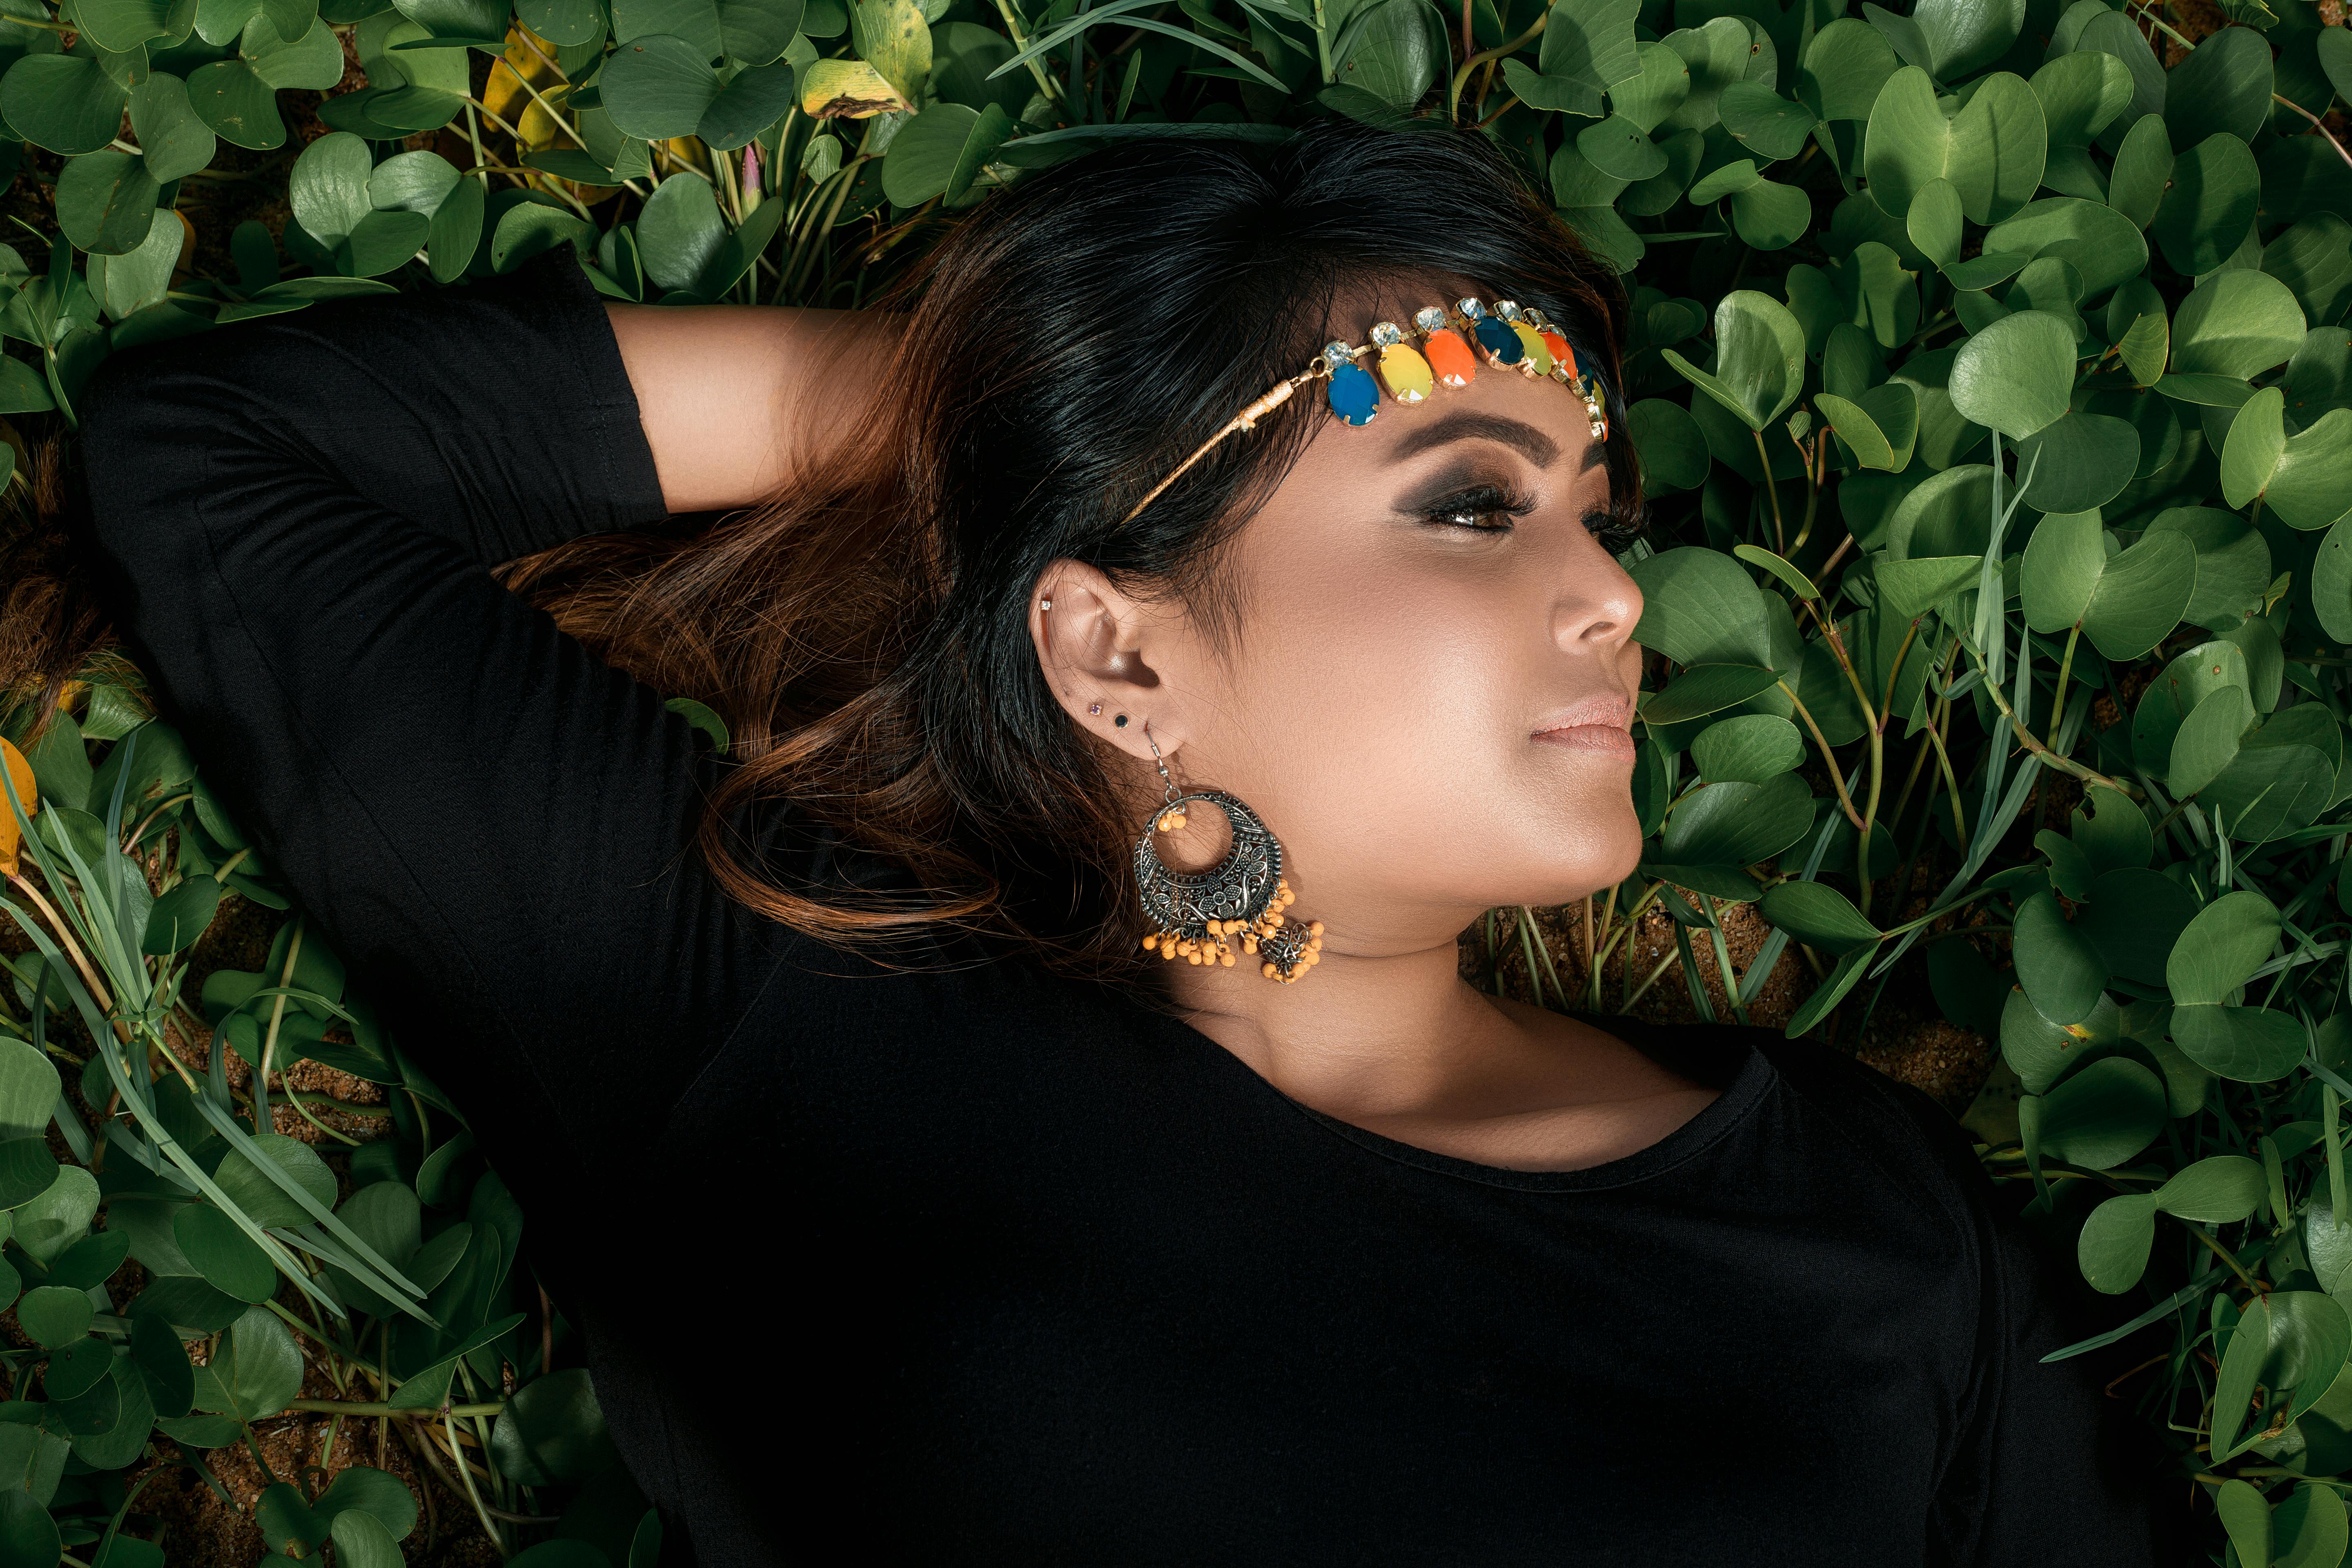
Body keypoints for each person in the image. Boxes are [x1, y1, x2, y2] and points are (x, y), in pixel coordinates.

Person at [60, 117, 2169, 1565]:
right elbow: (219, 465)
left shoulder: (1864, 1218)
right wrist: (1009, 413)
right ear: (1114, 654)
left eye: (1594, 504)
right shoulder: (789, 1035)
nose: (1616, 587)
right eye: (1470, 500)